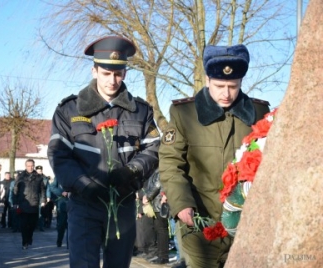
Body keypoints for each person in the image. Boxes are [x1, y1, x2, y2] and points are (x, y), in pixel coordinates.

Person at [47, 35, 160, 268]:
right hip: (84, 205)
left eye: (118, 74)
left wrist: (133, 170)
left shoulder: (140, 111)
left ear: (125, 73)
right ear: (94, 71)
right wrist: (82, 183)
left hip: (123, 203)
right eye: (106, 73)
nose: (112, 80)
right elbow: (59, 155)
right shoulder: (69, 109)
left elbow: (154, 148)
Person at [159, 44, 270, 268]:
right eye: (219, 86)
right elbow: (171, 163)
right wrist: (181, 204)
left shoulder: (259, 113)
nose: (226, 93)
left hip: (243, 223)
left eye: (233, 86)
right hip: (199, 222)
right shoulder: (184, 114)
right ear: (207, 80)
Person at [13, 159, 46, 250]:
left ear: (34, 166)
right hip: (23, 203)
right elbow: (15, 190)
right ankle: (24, 242)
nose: (30, 167)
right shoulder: (20, 177)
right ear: (25, 166)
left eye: (31, 166)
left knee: (32, 224)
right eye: (28, 166)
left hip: (34, 203)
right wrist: (15, 202)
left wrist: (43, 201)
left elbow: (42, 190)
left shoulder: (39, 177)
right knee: (23, 225)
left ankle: (29, 237)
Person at [142, 170, 169, 265]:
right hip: (156, 203)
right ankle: (160, 255)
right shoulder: (157, 170)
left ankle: (163, 257)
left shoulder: (161, 170)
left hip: (160, 203)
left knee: (162, 230)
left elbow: (157, 185)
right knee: (159, 229)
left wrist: (147, 197)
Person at [49, 178, 69, 248]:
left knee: (71, 225)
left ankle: (69, 244)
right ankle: (59, 241)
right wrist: (61, 192)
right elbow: (52, 187)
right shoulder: (60, 175)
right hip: (62, 204)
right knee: (61, 225)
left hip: (74, 204)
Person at [35, 165, 51, 231]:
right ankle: (34, 225)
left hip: (42, 196)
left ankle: (40, 226)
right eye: (38, 171)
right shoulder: (33, 177)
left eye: (40, 171)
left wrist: (48, 196)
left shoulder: (45, 178)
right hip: (34, 196)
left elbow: (48, 188)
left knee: (41, 212)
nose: (39, 172)